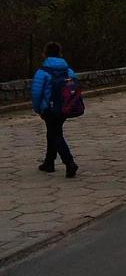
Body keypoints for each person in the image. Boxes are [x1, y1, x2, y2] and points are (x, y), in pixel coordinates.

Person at [31, 42, 78, 178]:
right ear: (60, 53)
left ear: (44, 54)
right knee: (53, 132)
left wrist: (38, 108)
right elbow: (73, 88)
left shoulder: (42, 72)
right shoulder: (68, 71)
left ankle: (69, 163)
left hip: (49, 109)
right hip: (64, 108)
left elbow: (36, 93)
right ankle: (49, 162)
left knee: (55, 134)